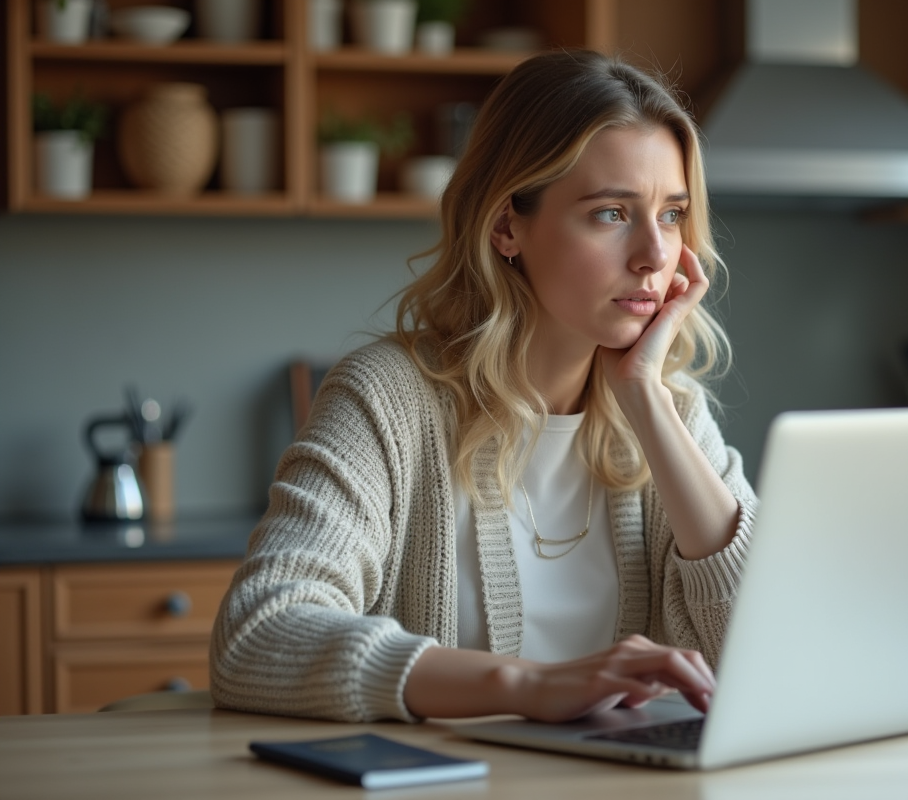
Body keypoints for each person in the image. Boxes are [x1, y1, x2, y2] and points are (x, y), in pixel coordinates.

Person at [209, 50, 757, 725]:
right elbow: (259, 633)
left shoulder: (673, 413)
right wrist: (526, 686)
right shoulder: (387, 398)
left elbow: (769, 651)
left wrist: (645, 396)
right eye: (611, 213)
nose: (654, 254)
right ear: (506, 228)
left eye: (671, 215)